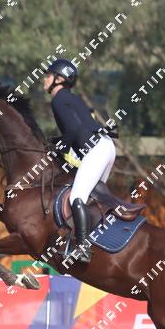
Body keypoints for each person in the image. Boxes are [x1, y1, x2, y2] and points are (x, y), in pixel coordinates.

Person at [43, 58, 116, 264]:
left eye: (49, 75)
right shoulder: (70, 98)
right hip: (106, 146)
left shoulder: (58, 99)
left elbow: (73, 130)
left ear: (59, 79)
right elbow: (76, 129)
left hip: (97, 150)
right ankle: (98, 240)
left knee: (77, 197)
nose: (44, 79)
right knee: (93, 198)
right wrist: (59, 142)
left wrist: (60, 148)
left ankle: (82, 248)